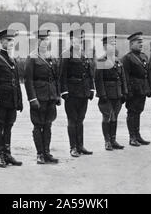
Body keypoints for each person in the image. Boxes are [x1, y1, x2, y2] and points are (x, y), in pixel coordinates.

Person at [0, 29, 23, 168]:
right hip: (1, 100)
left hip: (12, 99)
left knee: (9, 127)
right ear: (1, 41)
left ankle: (7, 154)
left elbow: (17, 81)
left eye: (12, 40)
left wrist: (19, 100)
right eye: (8, 40)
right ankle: (0, 155)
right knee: (0, 127)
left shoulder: (13, 60)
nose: (10, 43)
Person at [24, 29, 61, 164]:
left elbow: (55, 78)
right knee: (38, 125)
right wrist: (32, 99)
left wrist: (57, 95)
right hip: (38, 98)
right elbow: (28, 80)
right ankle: (39, 154)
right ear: (37, 41)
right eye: (42, 40)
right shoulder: (32, 58)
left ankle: (47, 152)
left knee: (48, 125)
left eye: (46, 40)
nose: (44, 42)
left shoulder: (51, 57)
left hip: (50, 97)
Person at [60, 28, 95, 157]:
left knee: (80, 120)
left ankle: (80, 146)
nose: (79, 41)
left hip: (84, 92)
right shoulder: (66, 54)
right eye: (77, 38)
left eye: (81, 38)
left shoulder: (84, 54)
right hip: (72, 93)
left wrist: (91, 89)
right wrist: (64, 91)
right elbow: (62, 75)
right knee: (72, 120)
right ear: (71, 40)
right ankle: (73, 147)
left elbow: (89, 73)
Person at [94, 35, 128, 151]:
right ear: (104, 46)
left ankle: (113, 140)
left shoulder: (118, 60)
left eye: (114, 44)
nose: (113, 46)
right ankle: (107, 141)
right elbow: (98, 80)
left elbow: (122, 77)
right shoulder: (101, 60)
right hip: (107, 94)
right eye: (110, 44)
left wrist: (124, 92)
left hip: (117, 93)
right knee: (107, 116)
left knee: (115, 117)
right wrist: (102, 94)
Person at [121, 32, 151, 146]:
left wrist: (148, 88)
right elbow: (125, 76)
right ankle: (132, 137)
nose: (141, 44)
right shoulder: (127, 58)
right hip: (133, 90)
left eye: (142, 42)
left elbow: (147, 74)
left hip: (142, 89)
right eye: (139, 42)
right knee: (132, 113)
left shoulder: (144, 56)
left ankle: (137, 136)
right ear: (131, 43)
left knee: (139, 111)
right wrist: (127, 91)